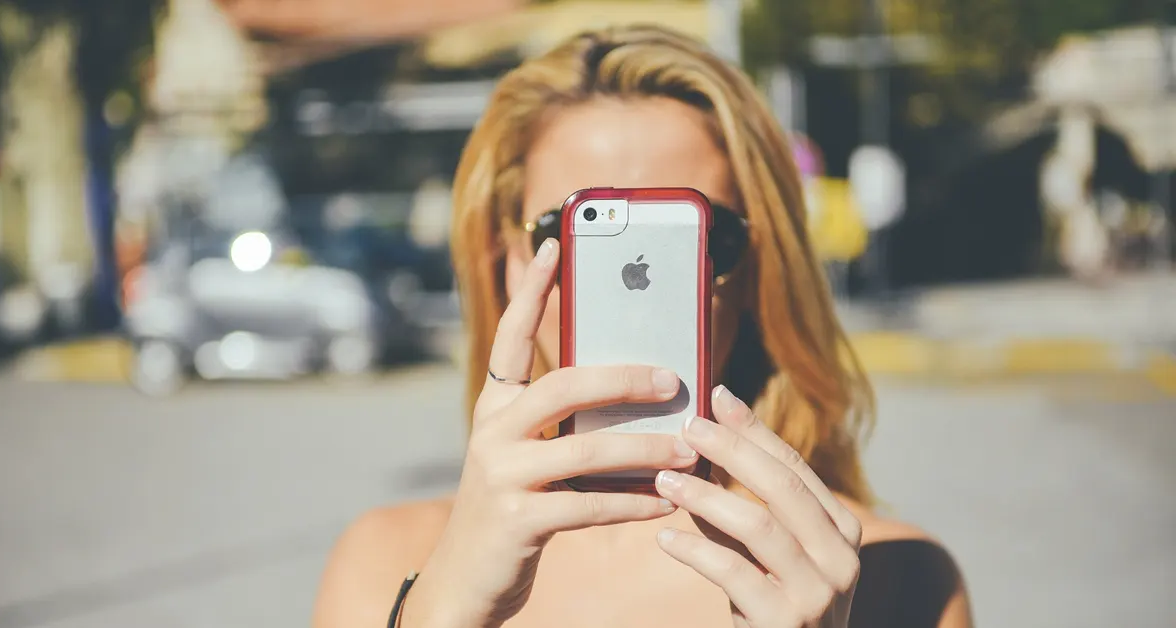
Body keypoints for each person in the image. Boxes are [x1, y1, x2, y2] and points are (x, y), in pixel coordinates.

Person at [314, 25, 971, 628]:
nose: (636, 284)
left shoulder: (892, 579)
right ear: (510, 262)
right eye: (579, 231)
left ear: (754, 272)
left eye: (689, 237)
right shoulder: (387, 564)